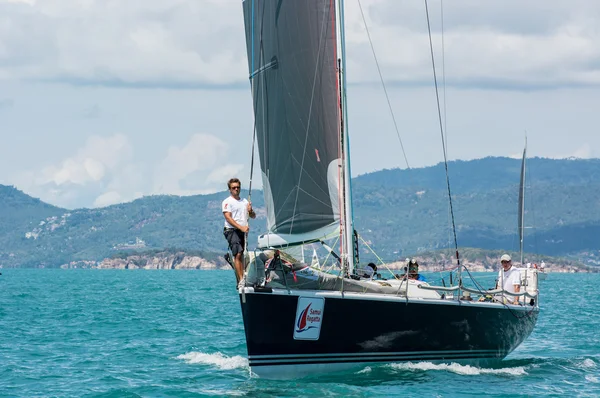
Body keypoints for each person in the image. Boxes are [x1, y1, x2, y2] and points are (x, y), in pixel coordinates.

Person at [222, 178, 256, 284]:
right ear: (229, 189)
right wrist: (240, 227)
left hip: (243, 232)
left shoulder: (245, 201)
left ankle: (242, 276)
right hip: (231, 230)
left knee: (242, 254)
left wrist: (250, 211)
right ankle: (241, 280)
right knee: (238, 253)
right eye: (233, 188)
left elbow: (253, 216)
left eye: (238, 187)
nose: (236, 189)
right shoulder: (227, 202)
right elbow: (228, 218)